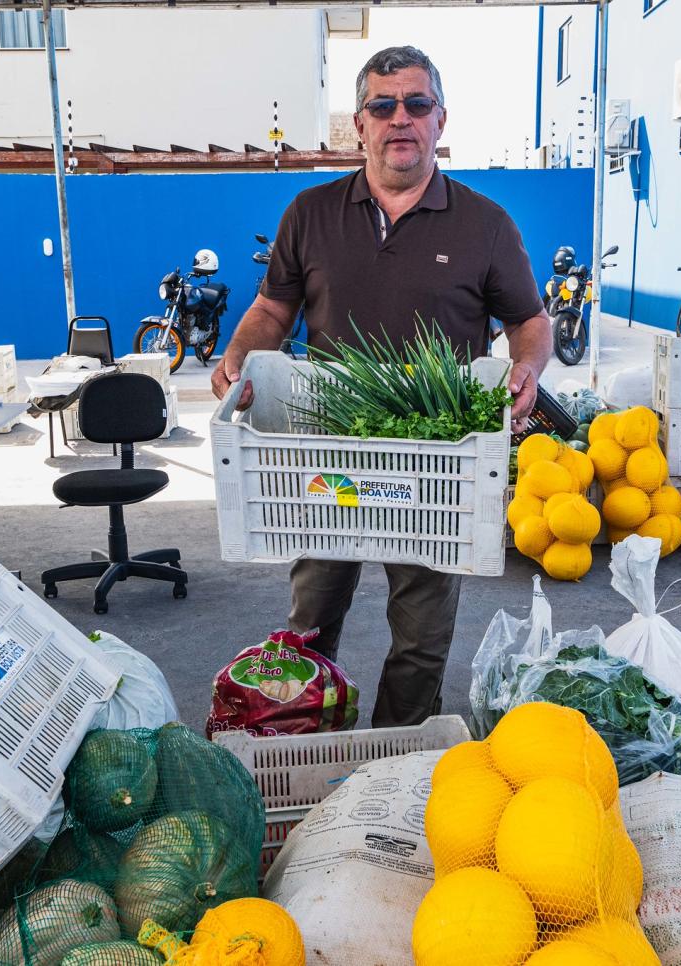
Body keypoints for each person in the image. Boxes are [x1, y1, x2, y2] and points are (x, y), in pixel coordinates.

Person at [211, 46, 552, 727]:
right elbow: (273, 308)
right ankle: (304, 740)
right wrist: (240, 355)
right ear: (359, 125)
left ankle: (392, 760)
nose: (402, 119)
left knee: (422, 638)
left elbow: (530, 320)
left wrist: (527, 369)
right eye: (383, 105)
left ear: (440, 120)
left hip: (436, 460)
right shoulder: (310, 212)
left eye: (417, 104)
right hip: (328, 452)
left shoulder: (485, 224)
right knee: (311, 618)